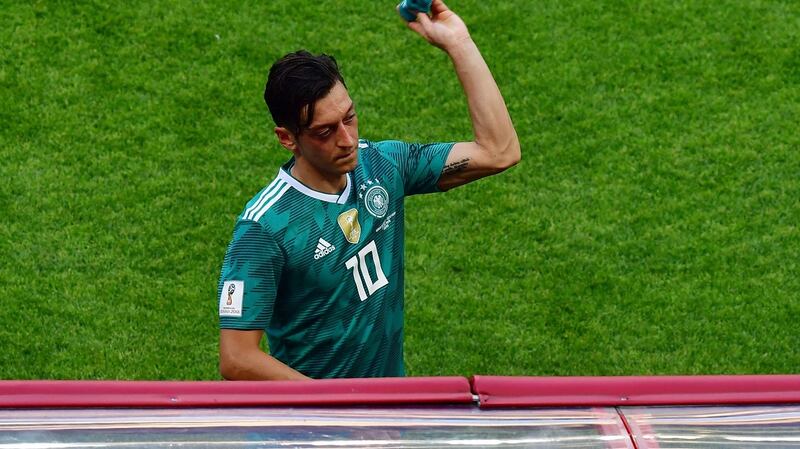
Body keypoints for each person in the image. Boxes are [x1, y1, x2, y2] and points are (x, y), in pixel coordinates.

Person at [216, 0, 520, 380]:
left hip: (387, 410)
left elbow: (499, 151)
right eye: (325, 131)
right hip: (315, 426)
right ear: (287, 138)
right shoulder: (265, 229)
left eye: (350, 118)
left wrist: (459, 43)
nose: (347, 140)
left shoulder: (383, 165)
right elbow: (237, 358)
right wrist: (338, 408)